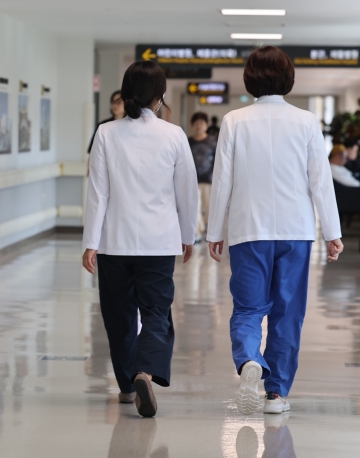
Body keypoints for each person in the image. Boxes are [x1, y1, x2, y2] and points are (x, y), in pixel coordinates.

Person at [207, 46, 343, 416]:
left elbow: (222, 181)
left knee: (249, 308)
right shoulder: (306, 121)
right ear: (288, 78)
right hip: (296, 231)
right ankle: (276, 394)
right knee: (287, 312)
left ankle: (250, 358)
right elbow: (321, 182)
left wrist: (214, 230)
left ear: (250, 78)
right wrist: (333, 231)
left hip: (248, 229)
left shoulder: (234, 120)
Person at [82, 60, 198, 418]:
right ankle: (145, 370)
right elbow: (187, 192)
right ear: (160, 97)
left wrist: (90, 241)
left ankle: (128, 386)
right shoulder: (174, 134)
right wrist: (189, 235)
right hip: (159, 242)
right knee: (156, 314)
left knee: (119, 318)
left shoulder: (106, 133)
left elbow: (97, 192)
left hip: (114, 243)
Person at [188, 111, 217, 241]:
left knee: (210, 208)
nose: (199, 125)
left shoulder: (212, 142)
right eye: (196, 123)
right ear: (193, 125)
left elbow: (218, 160)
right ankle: (197, 233)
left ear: (206, 125)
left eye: (201, 123)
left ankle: (210, 232)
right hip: (193, 180)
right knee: (195, 207)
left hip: (209, 180)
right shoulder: (188, 142)